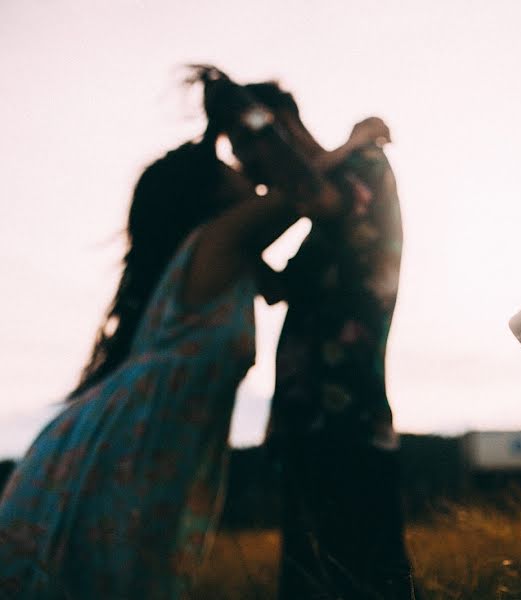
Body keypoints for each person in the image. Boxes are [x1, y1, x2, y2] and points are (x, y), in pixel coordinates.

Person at [0, 67, 384, 599]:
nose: (241, 168)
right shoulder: (220, 237)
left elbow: (287, 280)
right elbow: (305, 194)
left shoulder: (228, 259)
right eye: (226, 165)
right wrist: (356, 140)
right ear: (206, 193)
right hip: (139, 435)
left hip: (150, 433)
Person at [232, 85, 414, 598]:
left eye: (250, 144)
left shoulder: (365, 166)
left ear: (281, 125)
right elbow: (276, 289)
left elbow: (315, 193)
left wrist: (354, 139)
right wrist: (229, 237)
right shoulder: (322, 222)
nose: (247, 165)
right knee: (309, 576)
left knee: (369, 573)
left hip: (349, 414)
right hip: (301, 414)